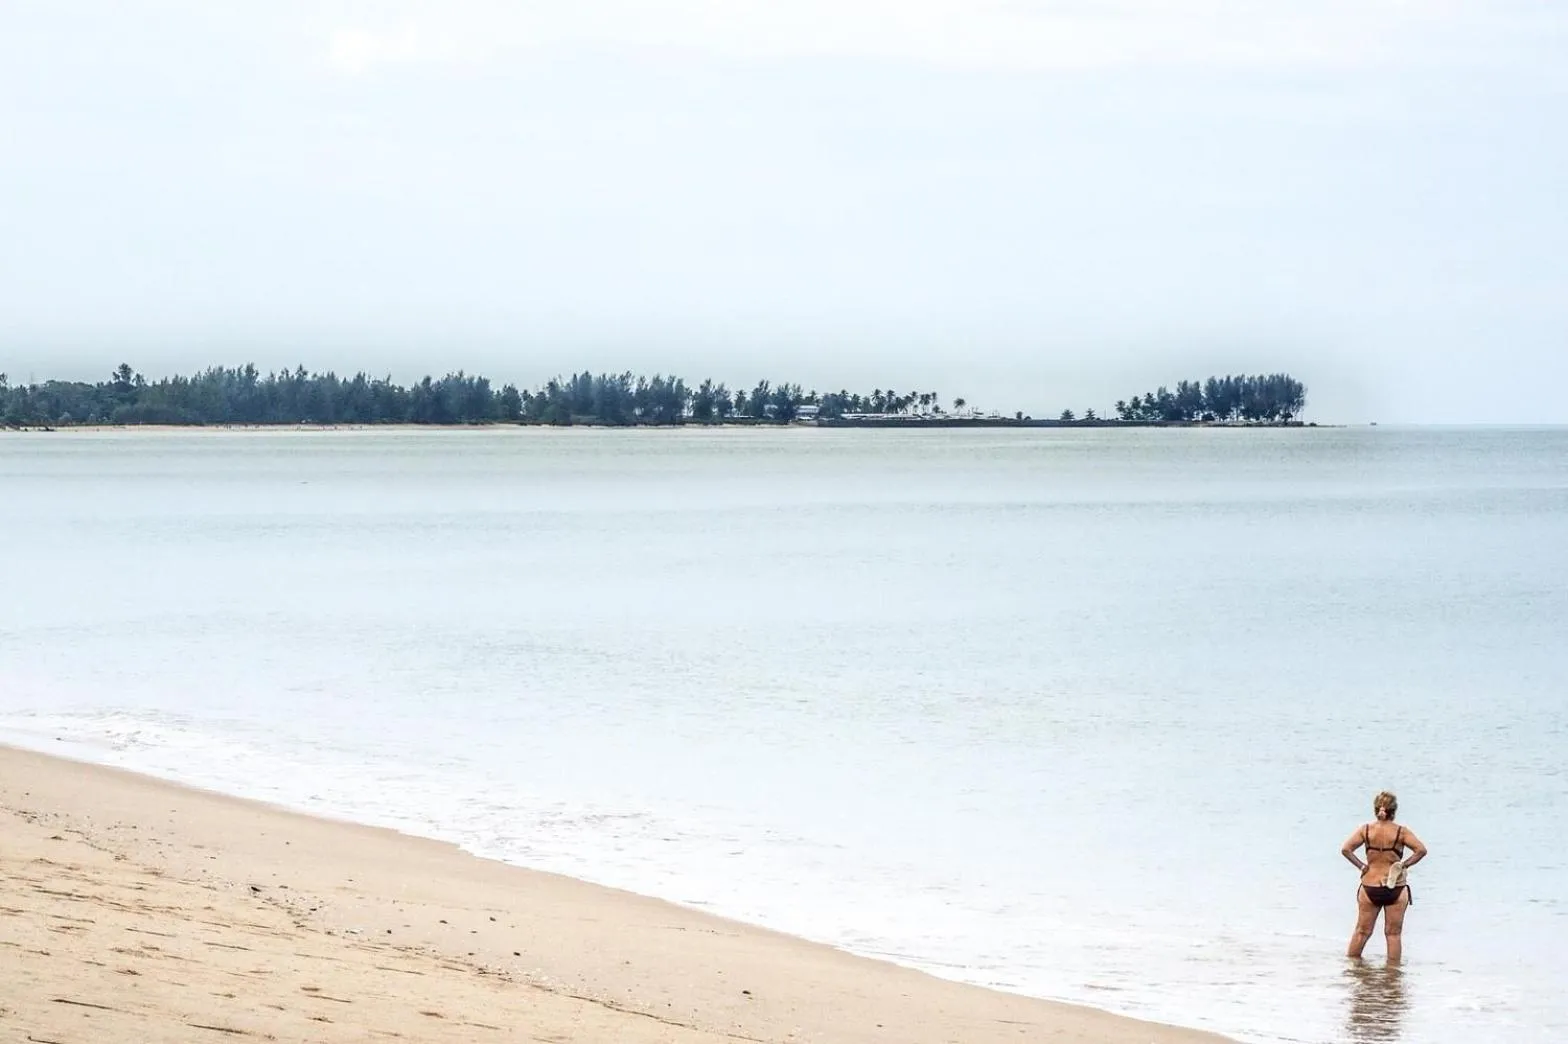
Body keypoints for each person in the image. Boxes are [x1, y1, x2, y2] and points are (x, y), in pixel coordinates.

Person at [1341, 791, 1427, 961]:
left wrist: (1361, 866)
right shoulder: (1401, 832)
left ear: (1376, 809)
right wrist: (1403, 865)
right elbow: (1421, 850)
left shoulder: (1365, 830)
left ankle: (1351, 970)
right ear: (1394, 811)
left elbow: (1346, 849)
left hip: (1369, 886)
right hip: (1394, 886)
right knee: (1393, 934)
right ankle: (1393, 976)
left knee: (1362, 931)